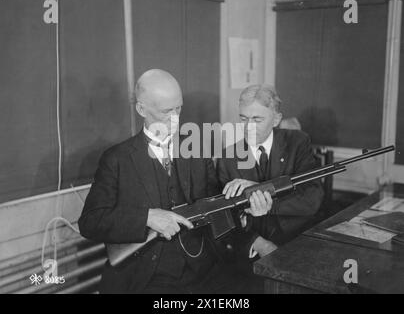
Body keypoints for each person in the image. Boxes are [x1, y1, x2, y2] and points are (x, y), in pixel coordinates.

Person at [78, 69, 265, 294]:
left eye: (179, 108)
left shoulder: (196, 148)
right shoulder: (116, 159)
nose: (175, 119)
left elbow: (216, 206)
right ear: (141, 109)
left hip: (204, 270)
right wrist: (147, 218)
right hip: (149, 278)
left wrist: (245, 201)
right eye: (167, 111)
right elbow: (90, 222)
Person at [217, 84, 324, 262]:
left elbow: (312, 199)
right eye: (243, 119)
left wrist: (265, 197)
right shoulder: (227, 157)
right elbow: (223, 218)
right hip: (253, 251)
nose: (248, 127)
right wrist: (259, 244)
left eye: (257, 120)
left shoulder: (297, 142)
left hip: (297, 241)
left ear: (276, 119)